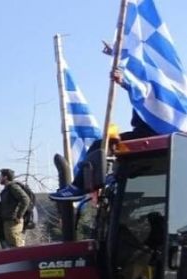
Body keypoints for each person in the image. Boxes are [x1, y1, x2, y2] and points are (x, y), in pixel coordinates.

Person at [51, 69, 159, 201]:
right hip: (150, 132)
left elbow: (145, 91)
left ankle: (78, 187)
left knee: (100, 146)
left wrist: (124, 81)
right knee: (112, 151)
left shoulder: (160, 84)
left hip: (150, 133)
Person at [0, 169, 30, 248]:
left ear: (5, 177)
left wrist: (19, 216)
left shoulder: (13, 187)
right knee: (12, 246)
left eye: (1, 176)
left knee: (17, 246)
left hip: (13, 222)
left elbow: (25, 199)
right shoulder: (7, 189)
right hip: (8, 222)